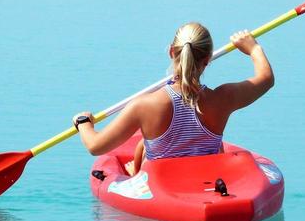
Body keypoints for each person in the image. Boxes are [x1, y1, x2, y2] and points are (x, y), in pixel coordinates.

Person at [73, 22, 274, 174]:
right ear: (208, 59)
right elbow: (266, 79)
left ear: (171, 52)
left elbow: (95, 146)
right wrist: (253, 49)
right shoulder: (224, 98)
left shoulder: (145, 105)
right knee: (145, 144)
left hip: (164, 185)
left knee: (144, 144)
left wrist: (84, 123)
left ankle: (136, 174)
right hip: (206, 180)